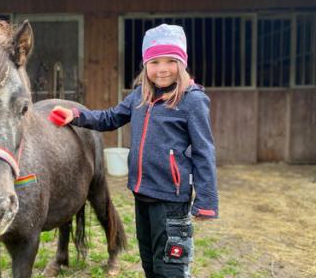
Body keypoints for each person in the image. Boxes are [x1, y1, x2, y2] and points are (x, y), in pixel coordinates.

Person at [49, 24, 218, 278]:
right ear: (145, 65)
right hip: (142, 195)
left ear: (181, 63)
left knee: (170, 268)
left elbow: (204, 151)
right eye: (154, 62)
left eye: (170, 61)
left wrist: (206, 200)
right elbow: (109, 118)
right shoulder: (140, 96)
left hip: (171, 200)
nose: (162, 69)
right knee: (150, 263)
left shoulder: (191, 100)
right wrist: (75, 115)